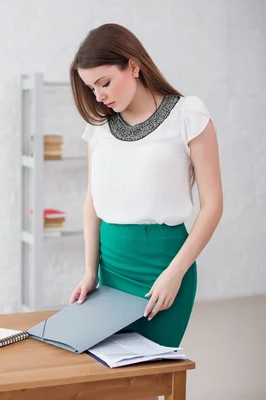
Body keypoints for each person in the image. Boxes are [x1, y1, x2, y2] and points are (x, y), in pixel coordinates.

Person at [68, 22, 223, 365]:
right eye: (91, 88)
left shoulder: (189, 114)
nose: (99, 96)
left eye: (104, 83)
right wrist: (89, 271)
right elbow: (92, 202)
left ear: (133, 65)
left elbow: (212, 206)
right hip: (109, 270)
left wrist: (174, 273)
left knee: (147, 378)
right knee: (105, 381)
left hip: (164, 269)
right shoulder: (98, 127)